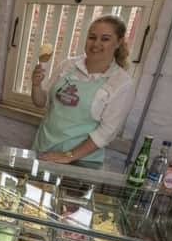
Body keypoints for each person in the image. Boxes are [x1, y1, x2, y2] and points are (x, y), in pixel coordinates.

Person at [31, 15, 135, 167]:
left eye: (105, 39)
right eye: (92, 37)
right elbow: (41, 102)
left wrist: (69, 156)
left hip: (81, 161)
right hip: (44, 149)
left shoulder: (121, 83)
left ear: (118, 42)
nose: (96, 44)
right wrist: (36, 85)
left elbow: (106, 133)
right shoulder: (68, 65)